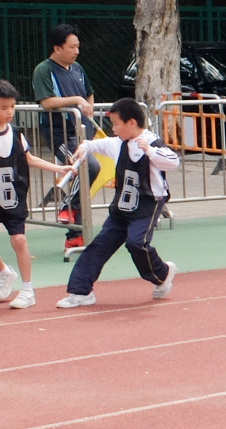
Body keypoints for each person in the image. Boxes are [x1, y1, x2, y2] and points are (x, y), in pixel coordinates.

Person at [0, 80, 74, 309]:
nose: (9, 112)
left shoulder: (16, 133)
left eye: (12, 106)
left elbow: (29, 158)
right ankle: (5, 272)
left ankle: (27, 290)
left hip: (12, 197)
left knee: (19, 240)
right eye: (4, 107)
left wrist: (58, 168)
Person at [56, 98, 179, 309]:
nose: (113, 129)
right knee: (99, 245)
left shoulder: (152, 143)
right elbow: (96, 144)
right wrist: (84, 147)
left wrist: (150, 152)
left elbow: (173, 161)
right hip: (122, 207)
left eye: (115, 124)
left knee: (136, 243)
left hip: (147, 206)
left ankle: (163, 273)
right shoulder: (118, 143)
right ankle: (81, 291)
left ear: (131, 123)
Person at [32, 23, 96, 258]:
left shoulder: (78, 68)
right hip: (59, 134)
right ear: (57, 48)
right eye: (72, 47)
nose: (76, 51)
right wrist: (77, 100)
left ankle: (74, 235)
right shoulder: (44, 70)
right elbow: (47, 102)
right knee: (88, 167)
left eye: (78, 46)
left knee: (85, 175)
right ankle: (67, 206)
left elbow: (89, 93)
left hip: (82, 133)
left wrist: (86, 106)